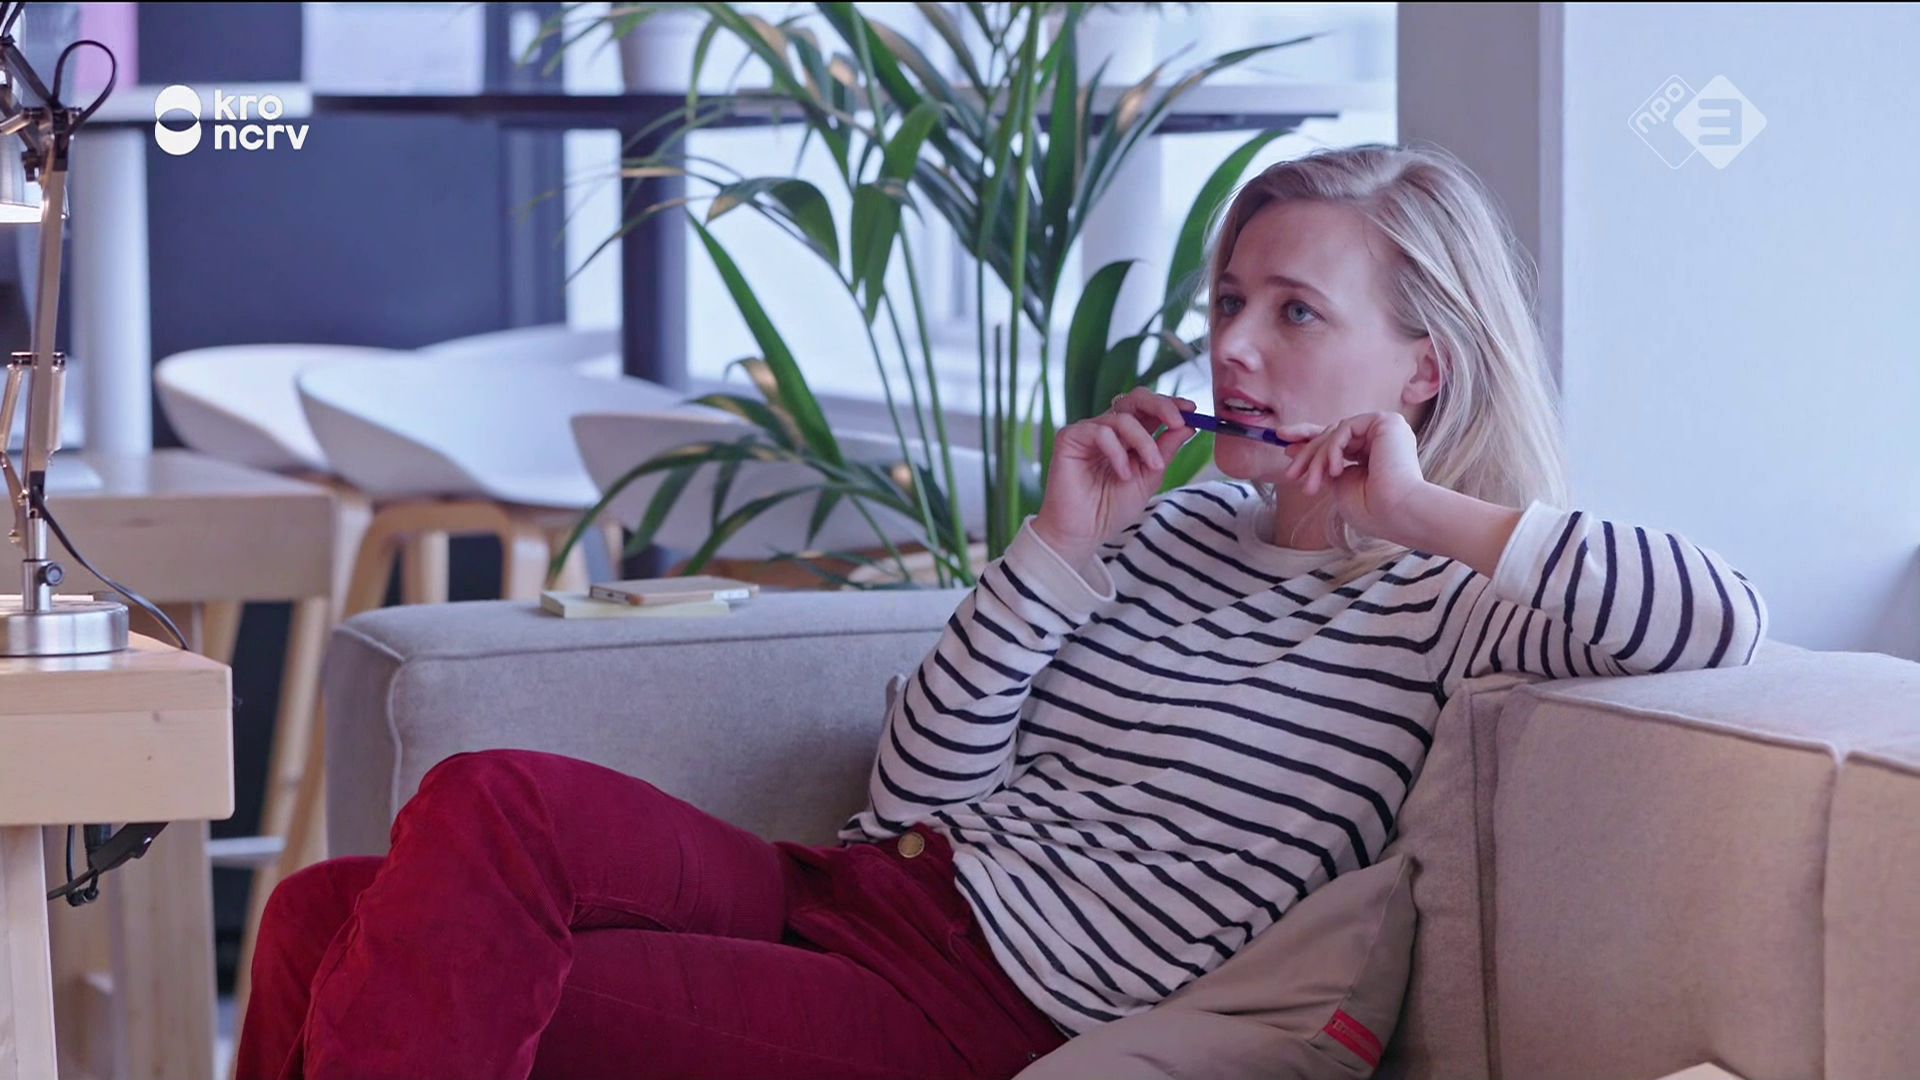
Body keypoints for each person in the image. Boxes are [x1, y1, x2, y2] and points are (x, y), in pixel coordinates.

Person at [235, 143, 1768, 1080]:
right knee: (395, 860)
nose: (1236, 347)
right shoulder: (1177, 533)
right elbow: (910, 797)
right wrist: (1056, 545)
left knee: (416, 960)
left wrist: (1420, 510)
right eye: (1230, 302)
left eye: (1296, 313)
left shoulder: (1452, 607)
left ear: (1423, 367)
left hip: (987, 1015)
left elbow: (1713, 617)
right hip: (866, 897)